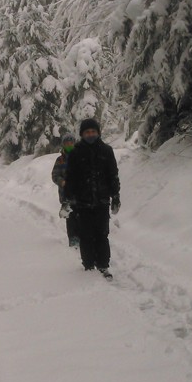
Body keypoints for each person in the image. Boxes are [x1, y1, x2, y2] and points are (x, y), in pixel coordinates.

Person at [64, 118, 120, 278]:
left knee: (102, 235)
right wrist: (69, 199)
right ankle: (88, 266)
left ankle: (103, 266)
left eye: (93, 131)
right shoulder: (75, 152)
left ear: (98, 132)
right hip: (82, 203)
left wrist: (115, 196)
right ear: (82, 134)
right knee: (86, 236)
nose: (90, 134)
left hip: (102, 201)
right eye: (87, 132)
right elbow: (70, 178)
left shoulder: (107, 151)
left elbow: (113, 175)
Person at [51, 133, 80, 247]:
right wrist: (62, 182)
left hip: (80, 194)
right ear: (63, 144)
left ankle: (83, 237)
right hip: (66, 195)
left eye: (71, 142)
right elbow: (54, 175)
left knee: (81, 216)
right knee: (70, 218)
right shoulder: (60, 160)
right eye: (67, 143)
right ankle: (73, 239)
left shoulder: (79, 157)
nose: (69, 145)